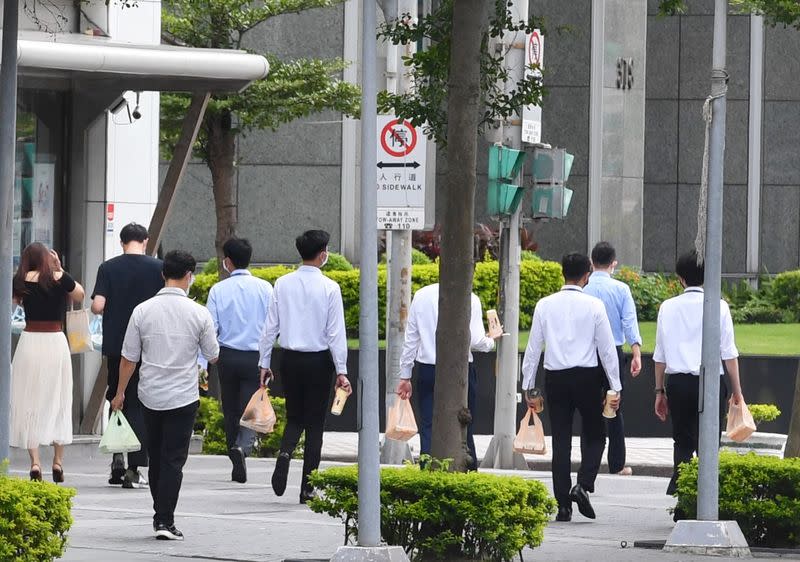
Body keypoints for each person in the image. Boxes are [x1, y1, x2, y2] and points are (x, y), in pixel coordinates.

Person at [111, 250, 219, 541]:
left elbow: (128, 359)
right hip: (183, 396)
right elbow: (213, 353)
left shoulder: (142, 311)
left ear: (163, 274)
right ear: (189, 275)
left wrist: (120, 392)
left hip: (150, 394)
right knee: (173, 459)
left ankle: (161, 513)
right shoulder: (199, 313)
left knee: (156, 455)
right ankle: (164, 519)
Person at [521, 252, 621, 523]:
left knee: (561, 441)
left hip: (555, 378)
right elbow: (607, 350)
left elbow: (533, 349)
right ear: (587, 275)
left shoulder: (545, 304)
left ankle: (562, 505)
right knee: (596, 434)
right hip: (587, 377)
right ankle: (583, 483)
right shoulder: (594, 305)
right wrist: (615, 385)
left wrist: (528, 385)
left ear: (562, 272)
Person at [258, 230, 351, 504]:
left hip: (289, 359)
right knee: (315, 425)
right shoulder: (330, 287)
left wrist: (264, 363)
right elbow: (336, 334)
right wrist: (342, 370)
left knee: (294, 416)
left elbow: (269, 328)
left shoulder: (282, 284)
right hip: (319, 361)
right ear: (323, 255)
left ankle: (285, 453)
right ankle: (307, 486)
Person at [653, 250, 744, 499]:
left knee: (681, 442)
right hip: (712, 381)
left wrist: (659, 391)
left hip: (679, 383)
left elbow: (660, 356)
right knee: (709, 445)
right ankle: (704, 500)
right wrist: (737, 393)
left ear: (680, 278)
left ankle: (682, 497)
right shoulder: (719, 306)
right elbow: (729, 353)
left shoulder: (668, 307)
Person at [395, 283, 497, 471]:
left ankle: (428, 473)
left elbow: (411, 339)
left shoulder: (421, 295)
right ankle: (468, 476)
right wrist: (491, 340)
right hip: (461, 370)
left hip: (427, 368)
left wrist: (405, 375)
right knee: (464, 427)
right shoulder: (470, 297)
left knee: (428, 427)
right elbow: (476, 340)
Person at [91, 222, 163, 488]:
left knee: (117, 398)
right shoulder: (158, 268)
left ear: (122, 243)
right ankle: (135, 467)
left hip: (116, 346)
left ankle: (116, 460)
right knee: (140, 403)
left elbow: (98, 305)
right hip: (148, 346)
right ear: (145, 241)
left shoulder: (108, 267)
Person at [10, 243, 85, 482]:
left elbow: (14, 302)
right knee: (59, 398)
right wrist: (60, 270)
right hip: (55, 341)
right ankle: (58, 461)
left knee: (30, 399)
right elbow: (80, 295)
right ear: (47, 258)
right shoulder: (58, 278)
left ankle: (34, 463)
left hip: (30, 341)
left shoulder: (20, 280)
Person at [206, 238, 273, 483]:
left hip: (226, 355)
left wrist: (208, 359)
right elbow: (272, 326)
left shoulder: (218, 290)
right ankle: (242, 447)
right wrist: (267, 359)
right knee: (251, 406)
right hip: (255, 356)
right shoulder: (265, 288)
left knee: (230, 406)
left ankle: (233, 448)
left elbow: (210, 327)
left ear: (227, 262)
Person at [584, 241, 642, 476]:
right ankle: (617, 463)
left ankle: (590, 461)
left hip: (588, 354)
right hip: (614, 353)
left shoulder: (584, 289)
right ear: (613, 264)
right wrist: (636, 352)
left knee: (589, 408)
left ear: (591, 262)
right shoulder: (621, 289)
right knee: (614, 407)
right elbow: (629, 321)